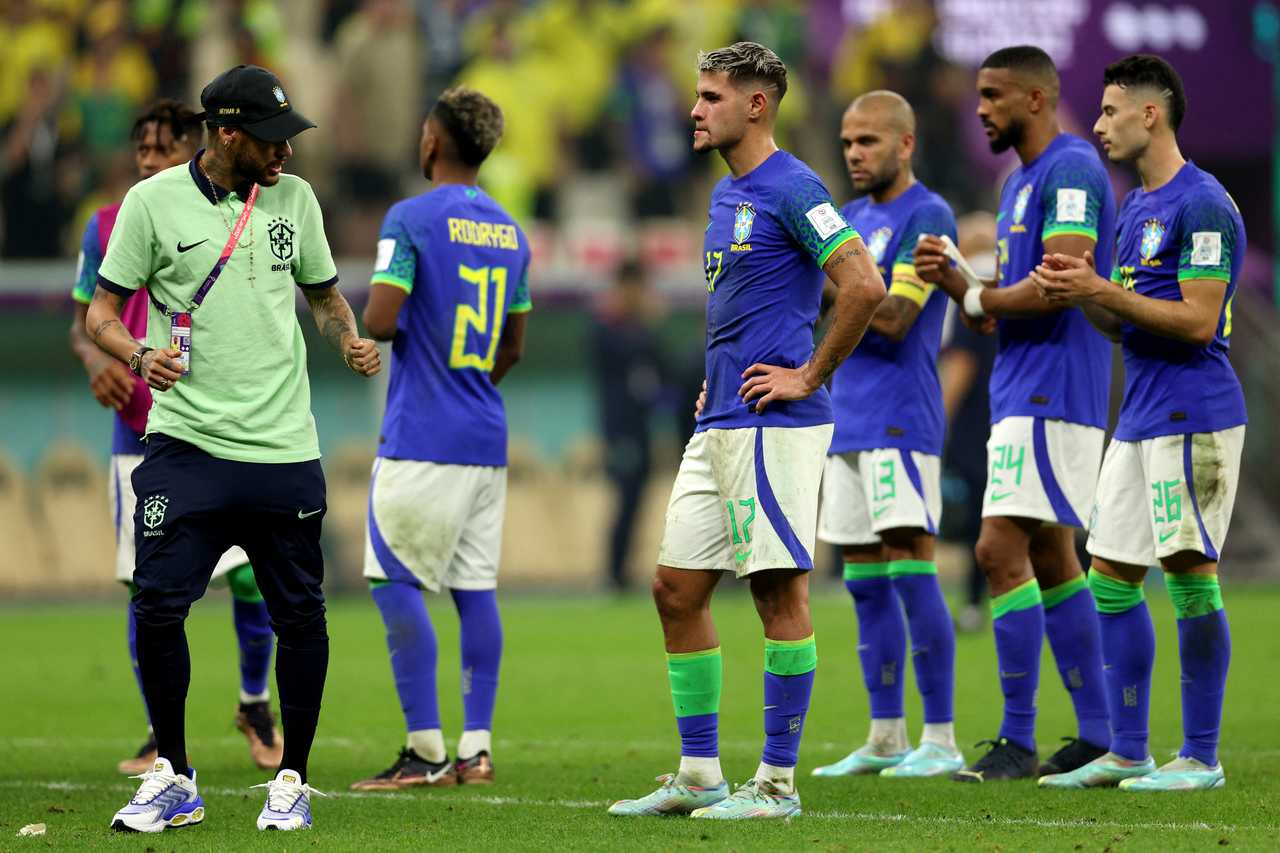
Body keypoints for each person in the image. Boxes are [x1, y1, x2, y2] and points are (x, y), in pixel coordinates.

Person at [86, 64, 381, 833]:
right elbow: (102, 314)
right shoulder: (149, 205)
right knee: (155, 605)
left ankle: (293, 779)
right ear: (225, 134)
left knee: (302, 616)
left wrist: (345, 337)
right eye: (269, 139)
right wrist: (138, 355)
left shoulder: (296, 200)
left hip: (283, 445)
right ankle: (176, 775)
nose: (284, 153)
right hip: (186, 443)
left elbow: (322, 294)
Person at [608, 42, 885, 820]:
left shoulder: (794, 186)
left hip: (775, 422)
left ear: (756, 105)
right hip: (721, 416)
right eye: (696, 96)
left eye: (709, 97)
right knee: (674, 587)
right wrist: (721, 371)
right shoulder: (727, 195)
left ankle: (776, 786)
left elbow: (863, 283)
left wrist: (807, 373)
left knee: (776, 592)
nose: (694, 110)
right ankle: (700, 773)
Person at [1034, 54, 1246, 792]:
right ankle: (1129, 750)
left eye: (1109, 111)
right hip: (1141, 414)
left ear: (1149, 113)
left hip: (1195, 412)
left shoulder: (1204, 203)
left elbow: (1196, 320)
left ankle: (1202, 755)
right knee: (1112, 579)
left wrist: (1101, 290)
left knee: (1189, 577)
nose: (1096, 126)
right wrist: (1079, 291)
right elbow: (1122, 321)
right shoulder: (1135, 210)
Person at [914, 45, 1115, 782]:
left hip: (1054, 389)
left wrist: (978, 295)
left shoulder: (1069, 169)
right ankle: (1097, 731)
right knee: (1054, 554)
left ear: (1036, 98)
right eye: (978, 95)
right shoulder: (1018, 180)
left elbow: (1061, 281)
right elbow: (998, 307)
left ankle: (1019, 737)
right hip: (1024, 388)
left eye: (994, 95)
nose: (980, 108)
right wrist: (959, 282)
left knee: (999, 550)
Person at [69, 98, 284, 779]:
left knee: (251, 573)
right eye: (141, 151)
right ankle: (164, 738)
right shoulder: (106, 226)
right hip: (138, 431)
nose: (149, 162)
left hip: (215, 428)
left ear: (192, 151)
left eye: (162, 150)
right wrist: (100, 360)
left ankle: (254, 702)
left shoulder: (230, 217)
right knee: (149, 589)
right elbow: (86, 324)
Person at [350, 86, 530, 792]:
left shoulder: (410, 218)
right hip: (486, 432)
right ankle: (475, 747)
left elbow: (383, 317)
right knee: (473, 587)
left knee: (393, 580)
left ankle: (424, 750)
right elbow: (513, 344)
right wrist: (471, 381)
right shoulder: (511, 231)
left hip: (424, 434)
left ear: (432, 140)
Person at [809, 91, 964, 780]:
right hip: (848, 417)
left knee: (911, 568)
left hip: (902, 416)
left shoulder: (927, 214)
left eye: (868, 141)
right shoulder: (849, 218)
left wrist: (837, 296)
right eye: (847, 142)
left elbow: (897, 314)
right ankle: (885, 734)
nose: (853, 153)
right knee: (865, 583)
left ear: (905, 144)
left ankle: (942, 736)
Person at [590, 257, 665, 591]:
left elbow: (664, 369)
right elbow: (615, 354)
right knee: (624, 497)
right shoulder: (606, 325)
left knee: (636, 500)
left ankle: (623, 569)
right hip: (619, 429)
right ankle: (613, 572)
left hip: (641, 428)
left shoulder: (638, 328)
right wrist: (645, 324)